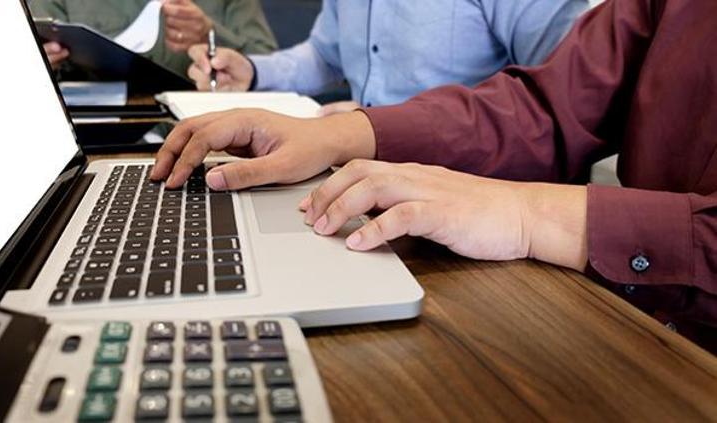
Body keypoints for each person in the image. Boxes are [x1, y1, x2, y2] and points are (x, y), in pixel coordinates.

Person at [151, 0, 717, 353]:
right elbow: (546, 105)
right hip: (413, 189)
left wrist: (526, 212)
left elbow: (549, 116)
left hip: (498, 219)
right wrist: (340, 132)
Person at [185, 0, 589, 115]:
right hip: (358, 178)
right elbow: (325, 55)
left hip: (472, 199)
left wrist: (380, 129)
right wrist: (254, 73)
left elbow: (561, 106)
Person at [30, 0, 277, 78]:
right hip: (98, 132)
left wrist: (210, 35)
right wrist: (46, 64)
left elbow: (269, 68)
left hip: (208, 128)